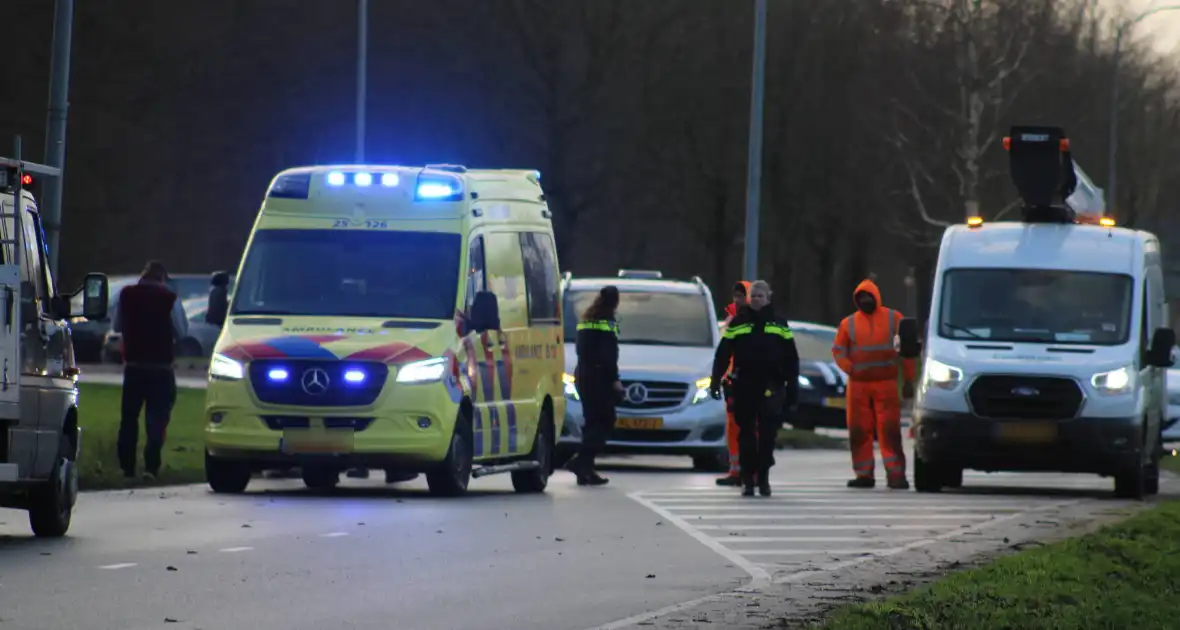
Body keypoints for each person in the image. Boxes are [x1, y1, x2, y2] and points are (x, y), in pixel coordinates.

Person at [709, 281, 799, 497]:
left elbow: (791, 359)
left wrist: (792, 388)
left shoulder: (780, 323)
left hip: (772, 386)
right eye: (753, 296)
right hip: (744, 386)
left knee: (767, 436)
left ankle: (764, 478)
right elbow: (723, 354)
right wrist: (715, 380)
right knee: (746, 436)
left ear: (768, 298)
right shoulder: (738, 323)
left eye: (760, 295)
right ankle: (748, 480)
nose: (756, 299)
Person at [831, 278, 917, 490]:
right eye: (861, 298)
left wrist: (908, 380)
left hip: (885, 383)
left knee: (889, 430)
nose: (865, 301)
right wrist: (850, 368)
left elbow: (907, 352)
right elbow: (839, 350)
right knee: (859, 430)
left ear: (876, 297)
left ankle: (896, 475)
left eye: (868, 297)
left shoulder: (894, 319)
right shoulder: (848, 323)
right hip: (858, 385)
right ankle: (864, 474)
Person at [112, 261, 188, 480]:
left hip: (134, 367)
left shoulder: (126, 295)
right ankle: (150, 467)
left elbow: (117, 326)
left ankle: (126, 467)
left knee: (129, 419)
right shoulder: (170, 299)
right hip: (161, 368)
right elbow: (182, 331)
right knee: (157, 418)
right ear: (162, 278)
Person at [568, 286, 625, 486]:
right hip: (599, 377)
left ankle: (586, 470)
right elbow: (609, 354)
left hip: (583, 374)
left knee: (592, 421)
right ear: (615, 302)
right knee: (606, 420)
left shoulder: (586, 319)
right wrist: (614, 380)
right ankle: (581, 461)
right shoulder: (607, 322)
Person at [716, 280, 751, 487]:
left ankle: (750, 471)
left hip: (748, 381)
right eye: (735, 296)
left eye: (741, 296)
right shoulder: (730, 320)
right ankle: (735, 469)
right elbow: (723, 353)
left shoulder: (753, 321)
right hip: (732, 383)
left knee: (751, 428)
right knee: (733, 429)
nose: (737, 300)